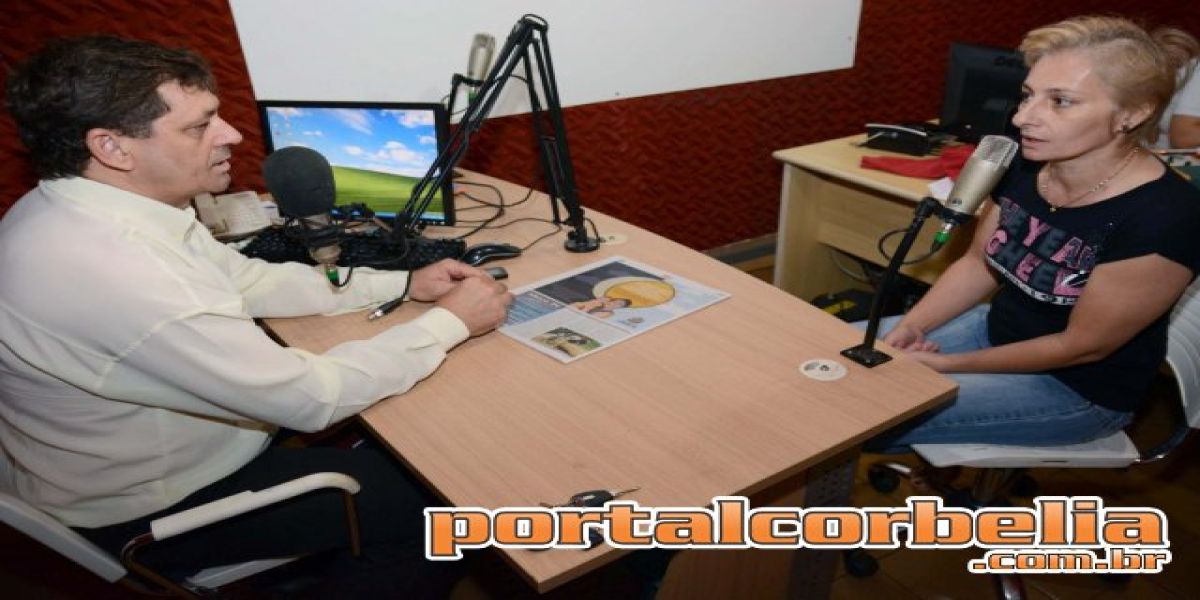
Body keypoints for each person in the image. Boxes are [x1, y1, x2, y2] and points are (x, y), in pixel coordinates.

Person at [0, 36, 512, 596]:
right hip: (154, 504)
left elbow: (247, 279)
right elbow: (312, 399)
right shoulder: (123, 270)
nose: (233, 135)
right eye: (200, 126)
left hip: (109, 462)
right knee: (444, 510)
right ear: (112, 147)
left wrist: (403, 283)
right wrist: (453, 323)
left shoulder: (76, 208)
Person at [865, 16, 1200, 453]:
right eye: (1027, 95)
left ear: (1133, 114)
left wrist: (947, 365)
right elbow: (977, 264)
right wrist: (914, 325)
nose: (1023, 117)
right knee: (833, 362)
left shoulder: (1165, 215)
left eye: (1060, 102)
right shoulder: (1028, 161)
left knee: (863, 413)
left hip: (1076, 389)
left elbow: (1080, 347)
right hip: (996, 332)